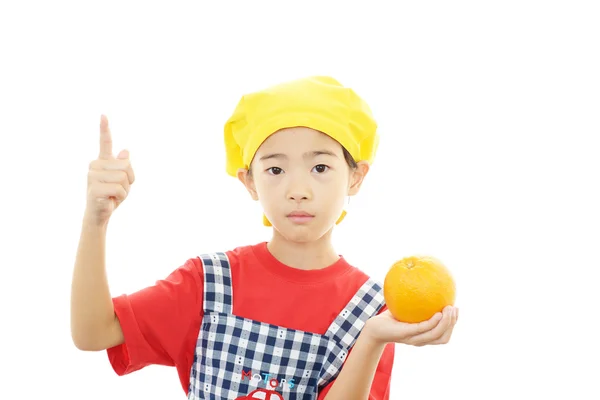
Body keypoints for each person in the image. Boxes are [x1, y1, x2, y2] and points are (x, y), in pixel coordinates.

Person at [71, 76, 458, 400]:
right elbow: (93, 333)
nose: (298, 189)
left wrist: (371, 339)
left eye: (320, 166)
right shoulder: (209, 283)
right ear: (249, 181)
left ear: (355, 177)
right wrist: (96, 219)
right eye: (275, 169)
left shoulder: (372, 311)